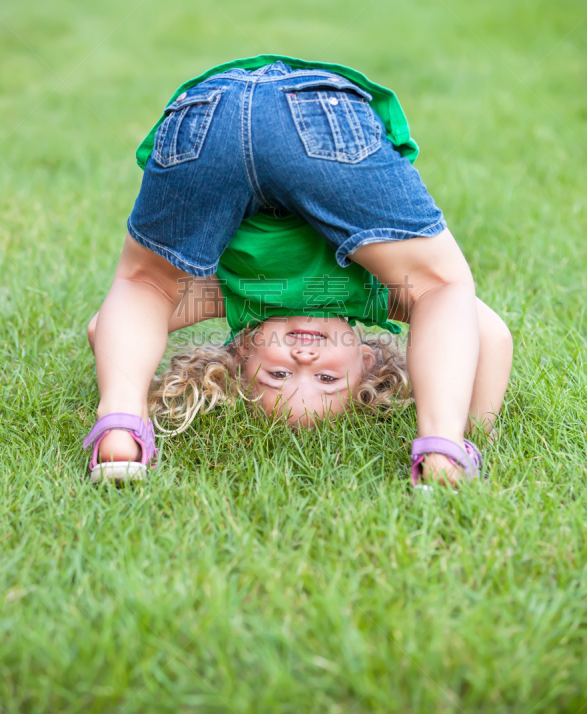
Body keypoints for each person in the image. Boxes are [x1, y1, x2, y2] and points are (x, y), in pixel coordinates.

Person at [84, 56, 513, 486]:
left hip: (211, 119)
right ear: (365, 359)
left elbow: (107, 326)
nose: (303, 360)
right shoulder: (372, 294)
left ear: (243, 350)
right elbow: (490, 337)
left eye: (278, 375)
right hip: (283, 118)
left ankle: (122, 421)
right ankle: (444, 448)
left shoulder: (234, 296)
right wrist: (478, 430)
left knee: (147, 284)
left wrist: (131, 378)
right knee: (439, 288)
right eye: (327, 378)